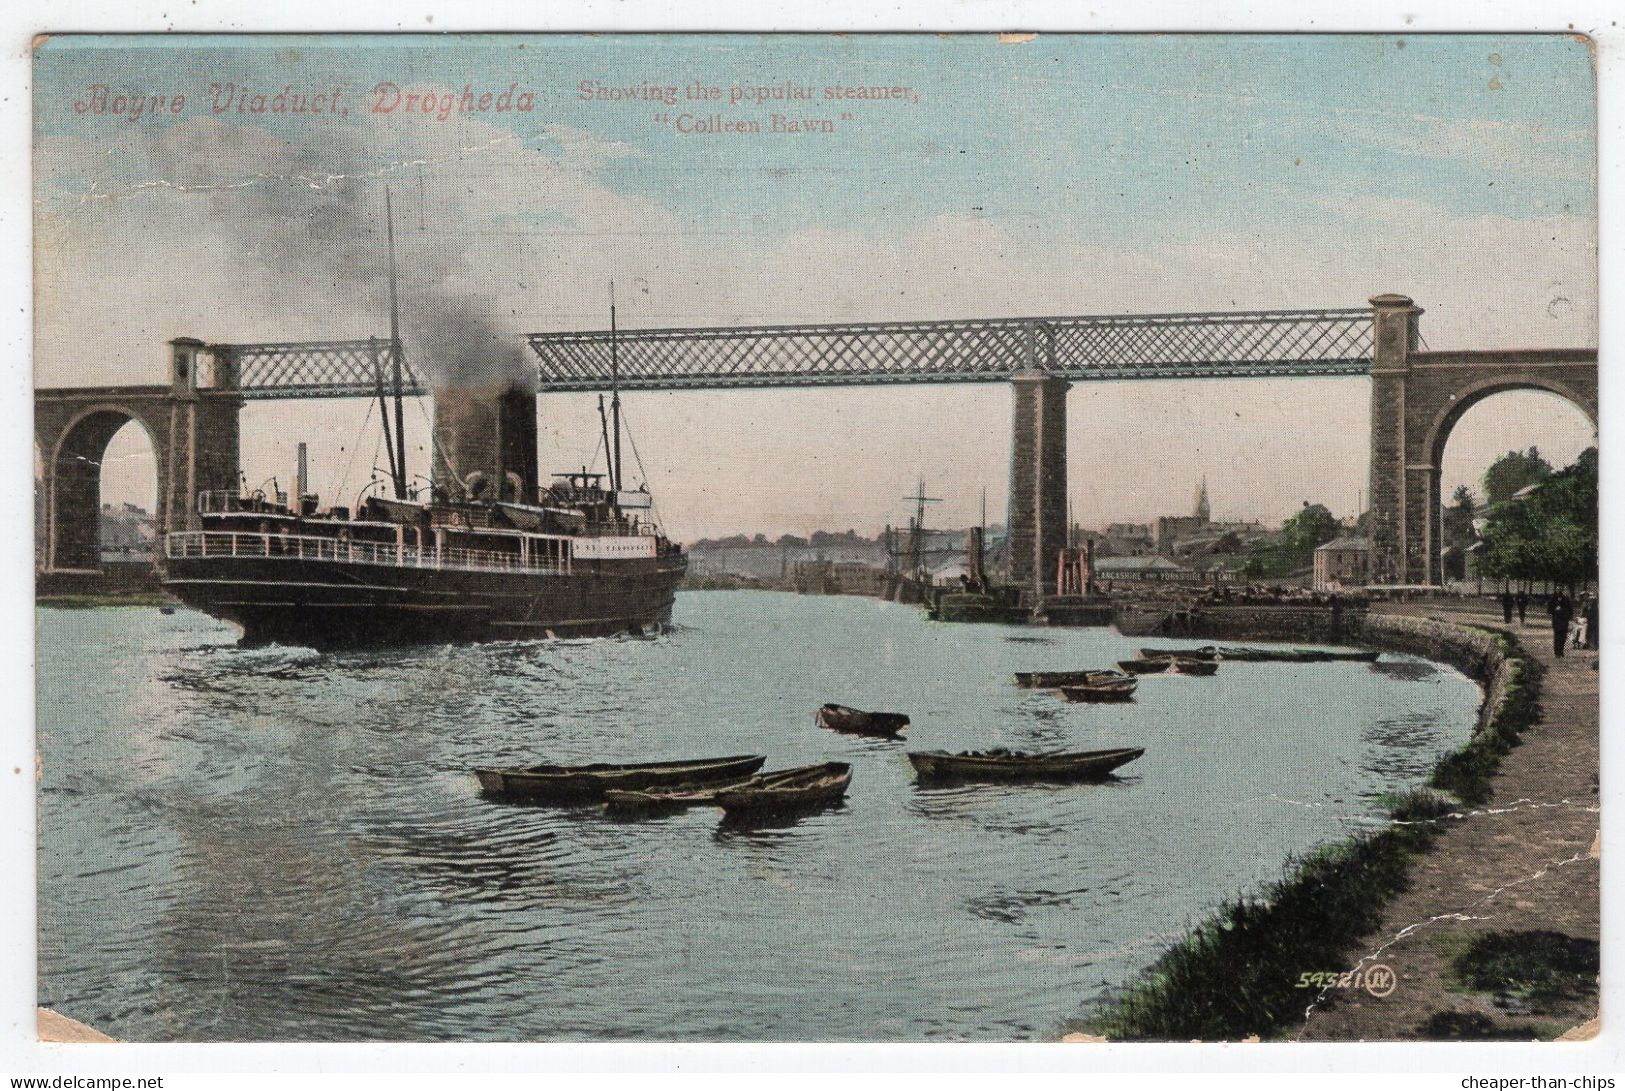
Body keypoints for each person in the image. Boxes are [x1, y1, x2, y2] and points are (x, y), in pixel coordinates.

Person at [1549, 590, 1573, 658]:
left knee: (1563, 637)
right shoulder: (1553, 599)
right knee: (1557, 637)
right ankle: (1557, 652)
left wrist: (1569, 617)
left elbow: (1570, 610)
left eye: (1560, 589)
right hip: (1556, 621)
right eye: (1557, 589)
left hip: (1564, 621)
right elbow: (1549, 610)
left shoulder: (1566, 599)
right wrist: (1555, 609)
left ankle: (1561, 650)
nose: (1559, 591)